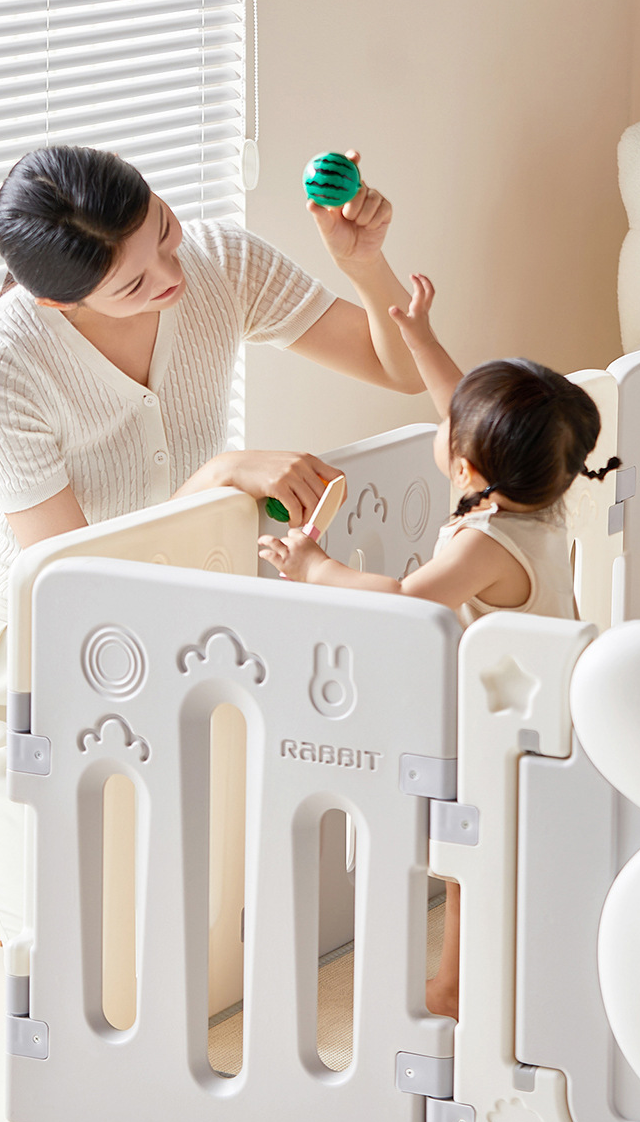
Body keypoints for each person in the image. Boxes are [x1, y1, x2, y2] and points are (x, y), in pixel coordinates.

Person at [0, 145, 427, 948]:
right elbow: (77, 591)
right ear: (57, 303)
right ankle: (16, 846)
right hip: (32, 673)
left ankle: (48, 856)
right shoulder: (0, 366)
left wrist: (363, 265)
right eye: (133, 284)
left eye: (162, 228)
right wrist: (217, 476)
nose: (171, 276)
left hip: (184, 633)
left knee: (207, 917)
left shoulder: (218, 261)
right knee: (80, 950)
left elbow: (398, 367)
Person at [258, 274, 619, 1018]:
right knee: (493, 856)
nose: (444, 418)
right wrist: (420, 338)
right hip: (544, 711)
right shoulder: (532, 501)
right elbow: (460, 405)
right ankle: (502, 969)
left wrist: (315, 567)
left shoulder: (484, 542)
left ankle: (455, 985)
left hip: (511, 728)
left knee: (466, 859)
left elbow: (403, 598)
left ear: (465, 467)